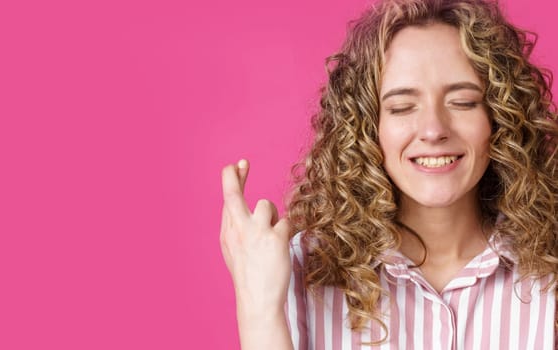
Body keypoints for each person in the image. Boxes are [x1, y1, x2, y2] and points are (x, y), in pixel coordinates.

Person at [220, 0, 558, 349]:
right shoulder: (298, 270)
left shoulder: (552, 266)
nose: (432, 130)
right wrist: (257, 307)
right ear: (368, 127)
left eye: (462, 102)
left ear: (500, 116)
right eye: (401, 107)